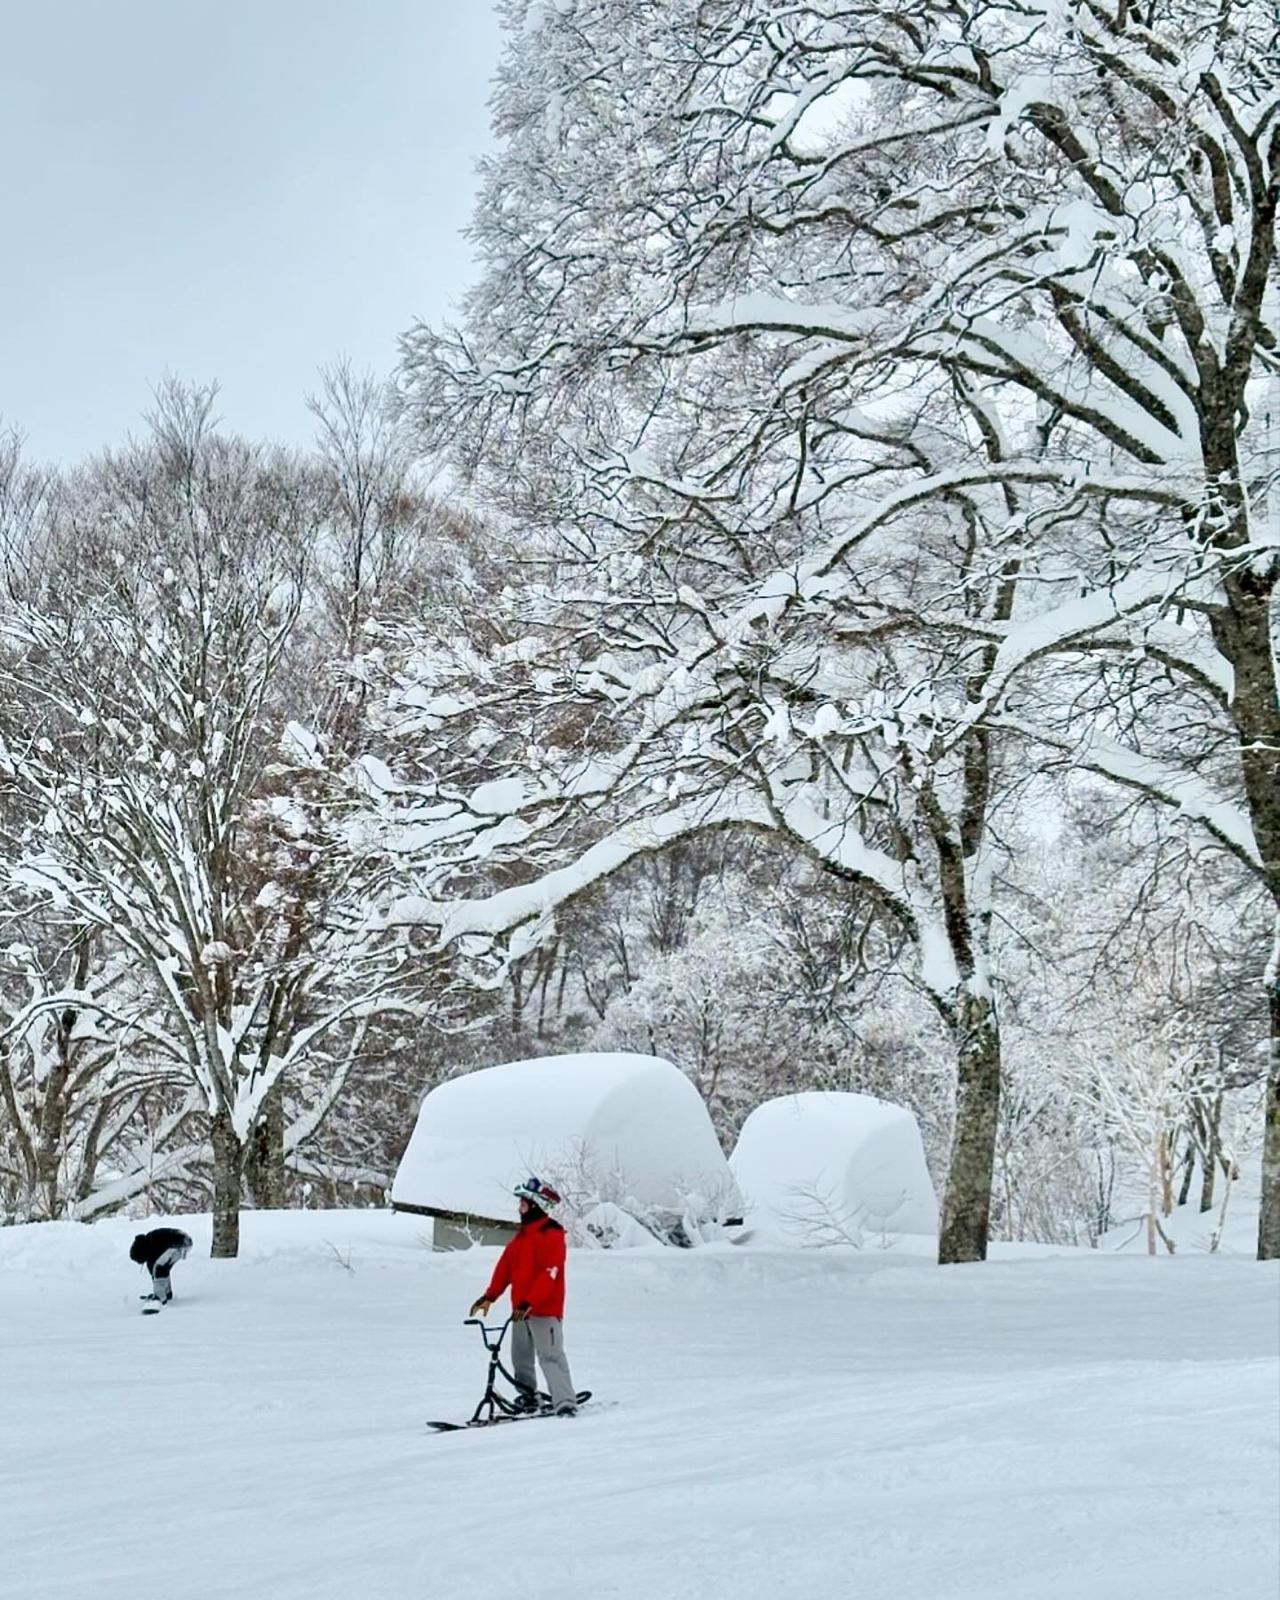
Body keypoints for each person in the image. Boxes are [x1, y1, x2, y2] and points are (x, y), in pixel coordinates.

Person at [469, 1177, 578, 1416]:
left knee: (550, 1357)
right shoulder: (522, 1237)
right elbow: (505, 1268)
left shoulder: (552, 1234)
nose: (519, 1208)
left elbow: (550, 1272)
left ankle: (565, 1401)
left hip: (544, 1311)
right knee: (521, 1360)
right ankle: (528, 1397)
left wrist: (531, 1301)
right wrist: (489, 1296)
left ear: (536, 1205)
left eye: (523, 1203)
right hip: (520, 1311)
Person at [129, 1226, 193, 1305]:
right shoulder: (149, 1242)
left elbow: (154, 1270)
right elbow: (152, 1269)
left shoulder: (151, 1244)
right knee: (163, 1268)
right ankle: (166, 1293)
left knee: (159, 1268)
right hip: (184, 1241)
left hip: (179, 1242)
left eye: (138, 1260)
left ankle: (160, 1297)